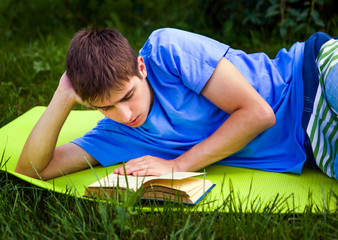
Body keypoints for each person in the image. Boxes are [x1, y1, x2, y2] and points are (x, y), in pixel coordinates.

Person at [15, 27, 337, 180]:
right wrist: (63, 94)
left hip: (310, 74)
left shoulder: (167, 51)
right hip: (310, 143)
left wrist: (178, 166)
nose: (125, 115)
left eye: (127, 96)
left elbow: (259, 114)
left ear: (141, 67)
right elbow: (32, 169)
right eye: (106, 107)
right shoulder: (117, 133)